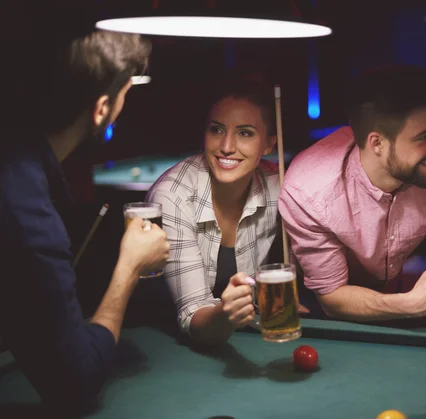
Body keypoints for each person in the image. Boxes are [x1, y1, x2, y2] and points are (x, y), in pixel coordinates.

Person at [0, 12, 169, 416]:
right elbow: (74, 385)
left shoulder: (23, 175)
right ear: (101, 108)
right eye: (126, 92)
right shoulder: (24, 210)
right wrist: (129, 267)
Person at [278, 65, 426, 322]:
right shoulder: (308, 191)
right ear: (377, 143)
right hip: (326, 318)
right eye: (423, 137)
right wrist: (411, 304)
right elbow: (333, 297)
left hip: (403, 298)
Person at [147, 72, 288, 346]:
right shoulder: (172, 196)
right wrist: (225, 314)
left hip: (249, 332)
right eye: (216, 130)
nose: (226, 147)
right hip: (164, 343)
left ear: (269, 144)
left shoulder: (281, 186)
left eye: (245, 133)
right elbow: (193, 317)